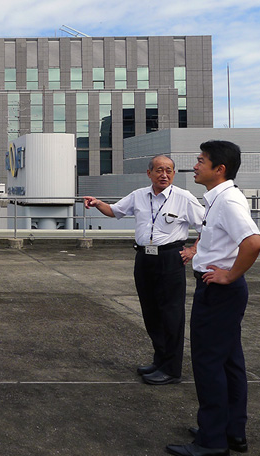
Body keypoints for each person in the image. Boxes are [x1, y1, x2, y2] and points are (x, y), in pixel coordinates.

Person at [166, 141, 260, 456]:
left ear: (219, 168)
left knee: (209, 365)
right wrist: (199, 250)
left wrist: (229, 275)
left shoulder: (227, 201)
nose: (194, 165)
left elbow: (253, 242)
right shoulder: (219, 199)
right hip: (223, 294)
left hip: (219, 293)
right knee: (230, 363)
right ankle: (231, 431)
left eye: (200, 160)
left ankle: (212, 441)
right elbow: (221, 238)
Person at [83, 155, 204, 385]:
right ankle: (160, 360)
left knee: (171, 315)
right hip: (144, 259)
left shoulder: (183, 198)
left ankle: (171, 369)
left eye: (169, 170)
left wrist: (193, 250)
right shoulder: (139, 195)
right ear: (149, 173)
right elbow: (115, 211)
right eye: (159, 170)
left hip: (170, 259)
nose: (164, 175)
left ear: (174, 174)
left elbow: (205, 225)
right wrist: (98, 203)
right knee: (151, 313)